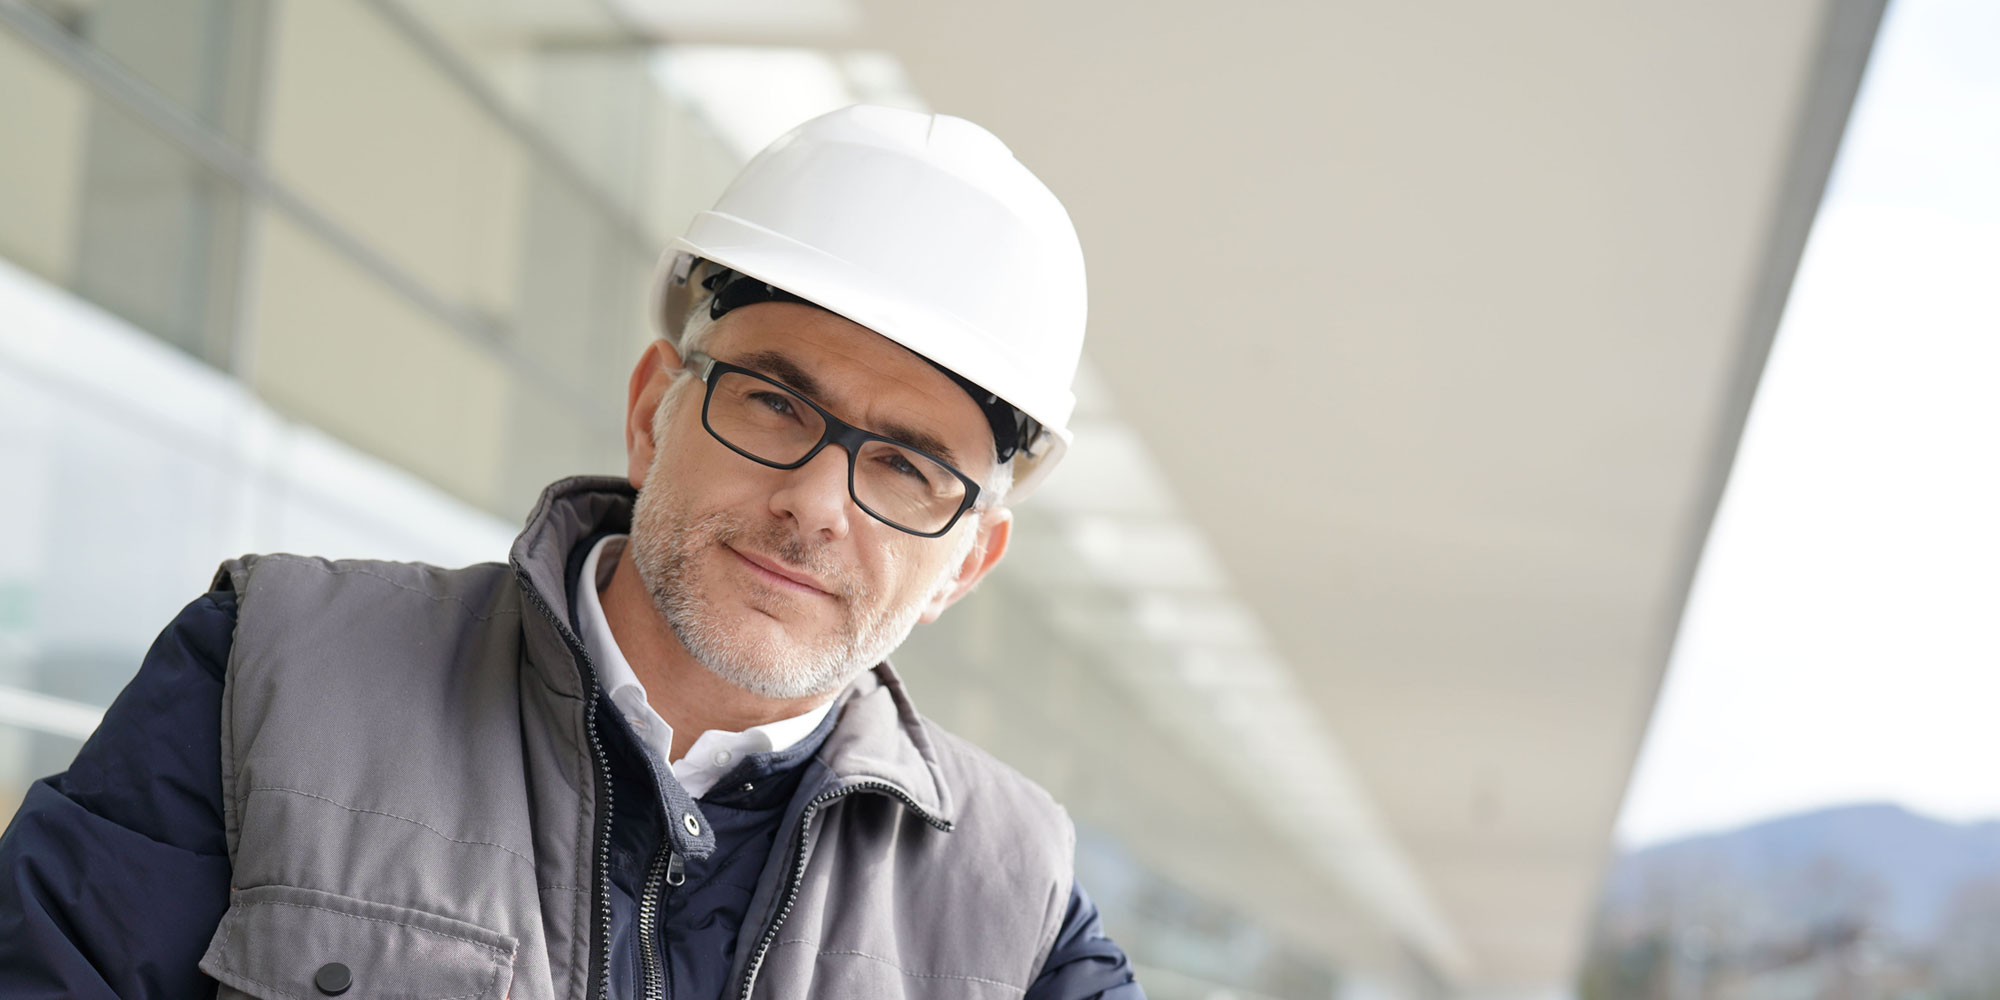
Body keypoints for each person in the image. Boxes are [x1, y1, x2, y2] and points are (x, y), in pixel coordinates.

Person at [0, 105, 1144, 1000]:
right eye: (774, 404)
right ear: (653, 411)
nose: (815, 503)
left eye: (905, 466)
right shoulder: (268, 673)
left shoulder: (1017, 905)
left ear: (965, 561)